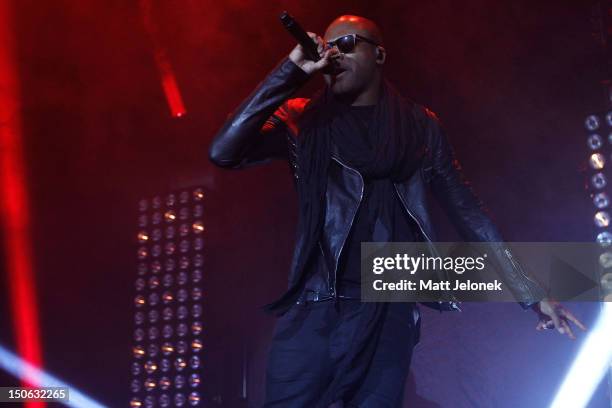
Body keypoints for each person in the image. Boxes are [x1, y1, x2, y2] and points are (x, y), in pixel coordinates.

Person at [209, 14, 586, 408]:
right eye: (329, 46)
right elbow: (223, 152)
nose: (336, 53)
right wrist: (289, 72)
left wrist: (531, 292)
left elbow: (467, 211)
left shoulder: (420, 128)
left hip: (387, 310)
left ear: (379, 54)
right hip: (314, 308)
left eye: (349, 42)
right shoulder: (302, 120)